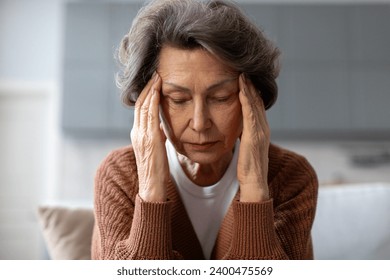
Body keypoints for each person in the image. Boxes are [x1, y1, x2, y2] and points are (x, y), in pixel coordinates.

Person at [91, 0, 318, 260]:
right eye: (178, 99)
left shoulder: (290, 176)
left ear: (253, 97)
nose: (200, 123)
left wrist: (255, 186)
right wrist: (151, 191)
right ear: (149, 102)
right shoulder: (119, 175)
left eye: (221, 97)